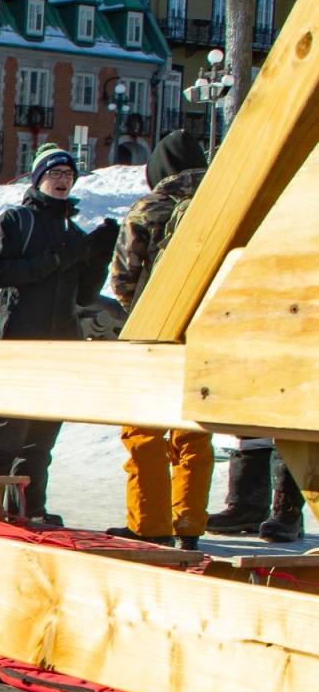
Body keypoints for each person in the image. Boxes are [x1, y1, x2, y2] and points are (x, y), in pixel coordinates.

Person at [0, 145, 118, 528]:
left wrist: (98, 255)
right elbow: (0, 273)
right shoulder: (16, 221)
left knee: (40, 439)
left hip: (60, 345)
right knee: (5, 435)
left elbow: (84, 296)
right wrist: (63, 256)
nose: (62, 179)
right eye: (54, 173)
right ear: (38, 179)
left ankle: (30, 508)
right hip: (17, 343)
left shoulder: (73, 231)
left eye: (68, 174)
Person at [104, 131, 215, 549]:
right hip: (204, 330)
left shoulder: (150, 207)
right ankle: (189, 524)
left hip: (155, 329)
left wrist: (144, 310)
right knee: (193, 429)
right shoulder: (221, 201)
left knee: (144, 429)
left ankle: (150, 524)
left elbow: (123, 278)